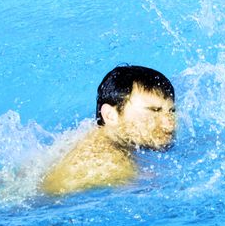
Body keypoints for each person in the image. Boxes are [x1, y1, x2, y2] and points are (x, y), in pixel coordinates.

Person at [41, 65, 176, 195]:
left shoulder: (83, 138)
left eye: (171, 111)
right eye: (154, 111)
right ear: (110, 115)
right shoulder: (109, 165)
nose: (169, 125)